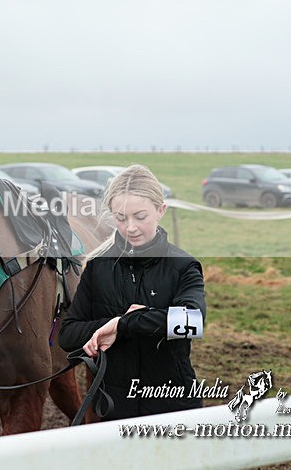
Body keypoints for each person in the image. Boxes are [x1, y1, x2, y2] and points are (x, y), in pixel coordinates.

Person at [58, 164, 206, 421]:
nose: (130, 228)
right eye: (121, 218)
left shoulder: (183, 266)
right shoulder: (97, 267)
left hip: (173, 407)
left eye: (140, 216)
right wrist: (115, 325)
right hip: (113, 410)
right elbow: (68, 334)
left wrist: (122, 325)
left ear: (160, 211)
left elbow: (193, 322)